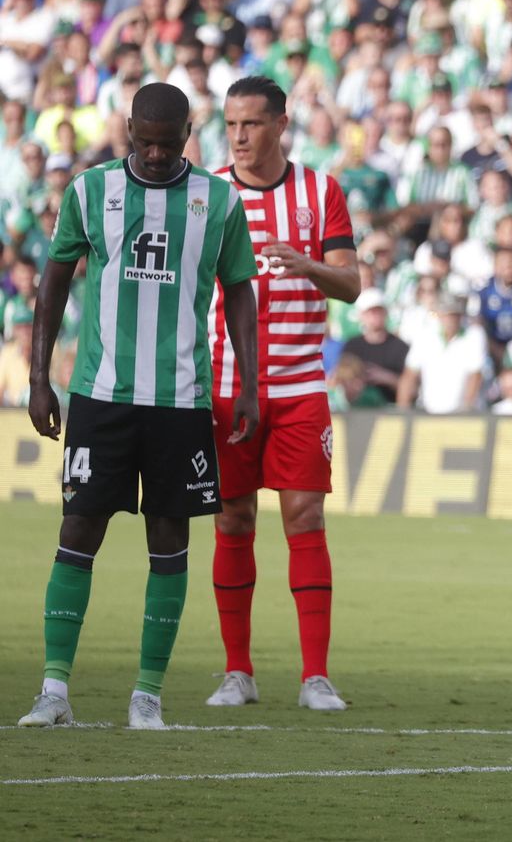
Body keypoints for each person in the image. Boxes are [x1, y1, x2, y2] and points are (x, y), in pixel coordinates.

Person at [17, 82, 260, 730]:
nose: (155, 154)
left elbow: (239, 291)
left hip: (182, 400)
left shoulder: (219, 200)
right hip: (102, 394)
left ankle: (147, 696)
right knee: (78, 531)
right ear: (128, 130)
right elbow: (54, 284)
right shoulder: (91, 192)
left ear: (187, 134)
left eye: (167, 142)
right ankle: (54, 690)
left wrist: (251, 384)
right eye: (144, 141)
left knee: (169, 538)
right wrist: (41, 379)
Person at [205, 76, 359, 713]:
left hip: (299, 388)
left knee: (305, 517)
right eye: (231, 125)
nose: (239, 137)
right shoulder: (207, 193)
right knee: (233, 519)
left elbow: (350, 285)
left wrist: (307, 265)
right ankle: (237, 671)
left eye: (252, 124)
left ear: (281, 124)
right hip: (225, 389)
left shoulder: (320, 191)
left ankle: (315, 676)